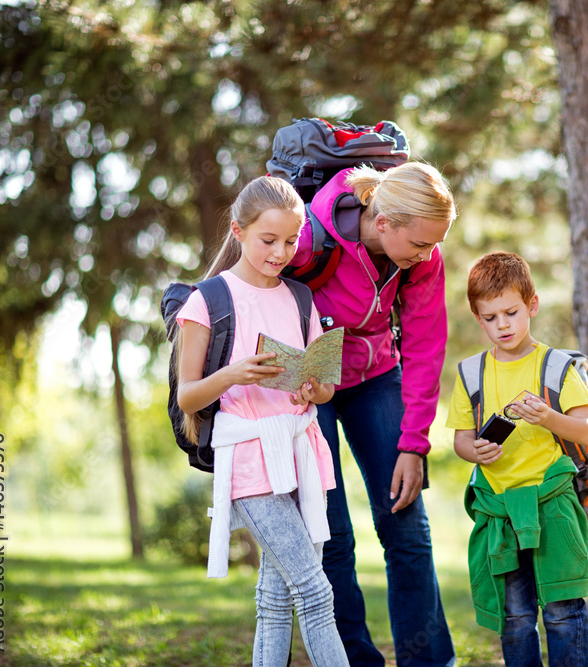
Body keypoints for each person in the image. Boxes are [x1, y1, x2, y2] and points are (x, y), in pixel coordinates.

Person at [175, 176, 349, 667]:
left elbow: (325, 384)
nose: (280, 252)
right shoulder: (207, 300)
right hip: (251, 459)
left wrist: (313, 388)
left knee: (276, 599)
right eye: (268, 240)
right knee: (315, 592)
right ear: (238, 231)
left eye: (291, 241)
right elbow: (188, 396)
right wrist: (233, 373)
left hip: (301, 452)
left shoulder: (299, 298)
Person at [292, 162, 457, 666]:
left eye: (434, 245)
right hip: (308, 373)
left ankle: (427, 661)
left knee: (406, 523)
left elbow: (427, 348)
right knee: (331, 532)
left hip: (375, 375)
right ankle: (352, 661)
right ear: (383, 223)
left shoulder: (420, 260)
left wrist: (414, 444)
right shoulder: (306, 239)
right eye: (421, 244)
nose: (428, 257)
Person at [446, 251, 588, 667]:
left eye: (511, 313)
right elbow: (461, 440)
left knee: (563, 612)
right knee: (514, 617)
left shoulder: (556, 366)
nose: (502, 325)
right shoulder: (470, 373)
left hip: (553, 504)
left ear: (531, 305)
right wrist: (473, 450)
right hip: (500, 509)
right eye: (490, 317)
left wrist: (549, 417)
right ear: (478, 318)